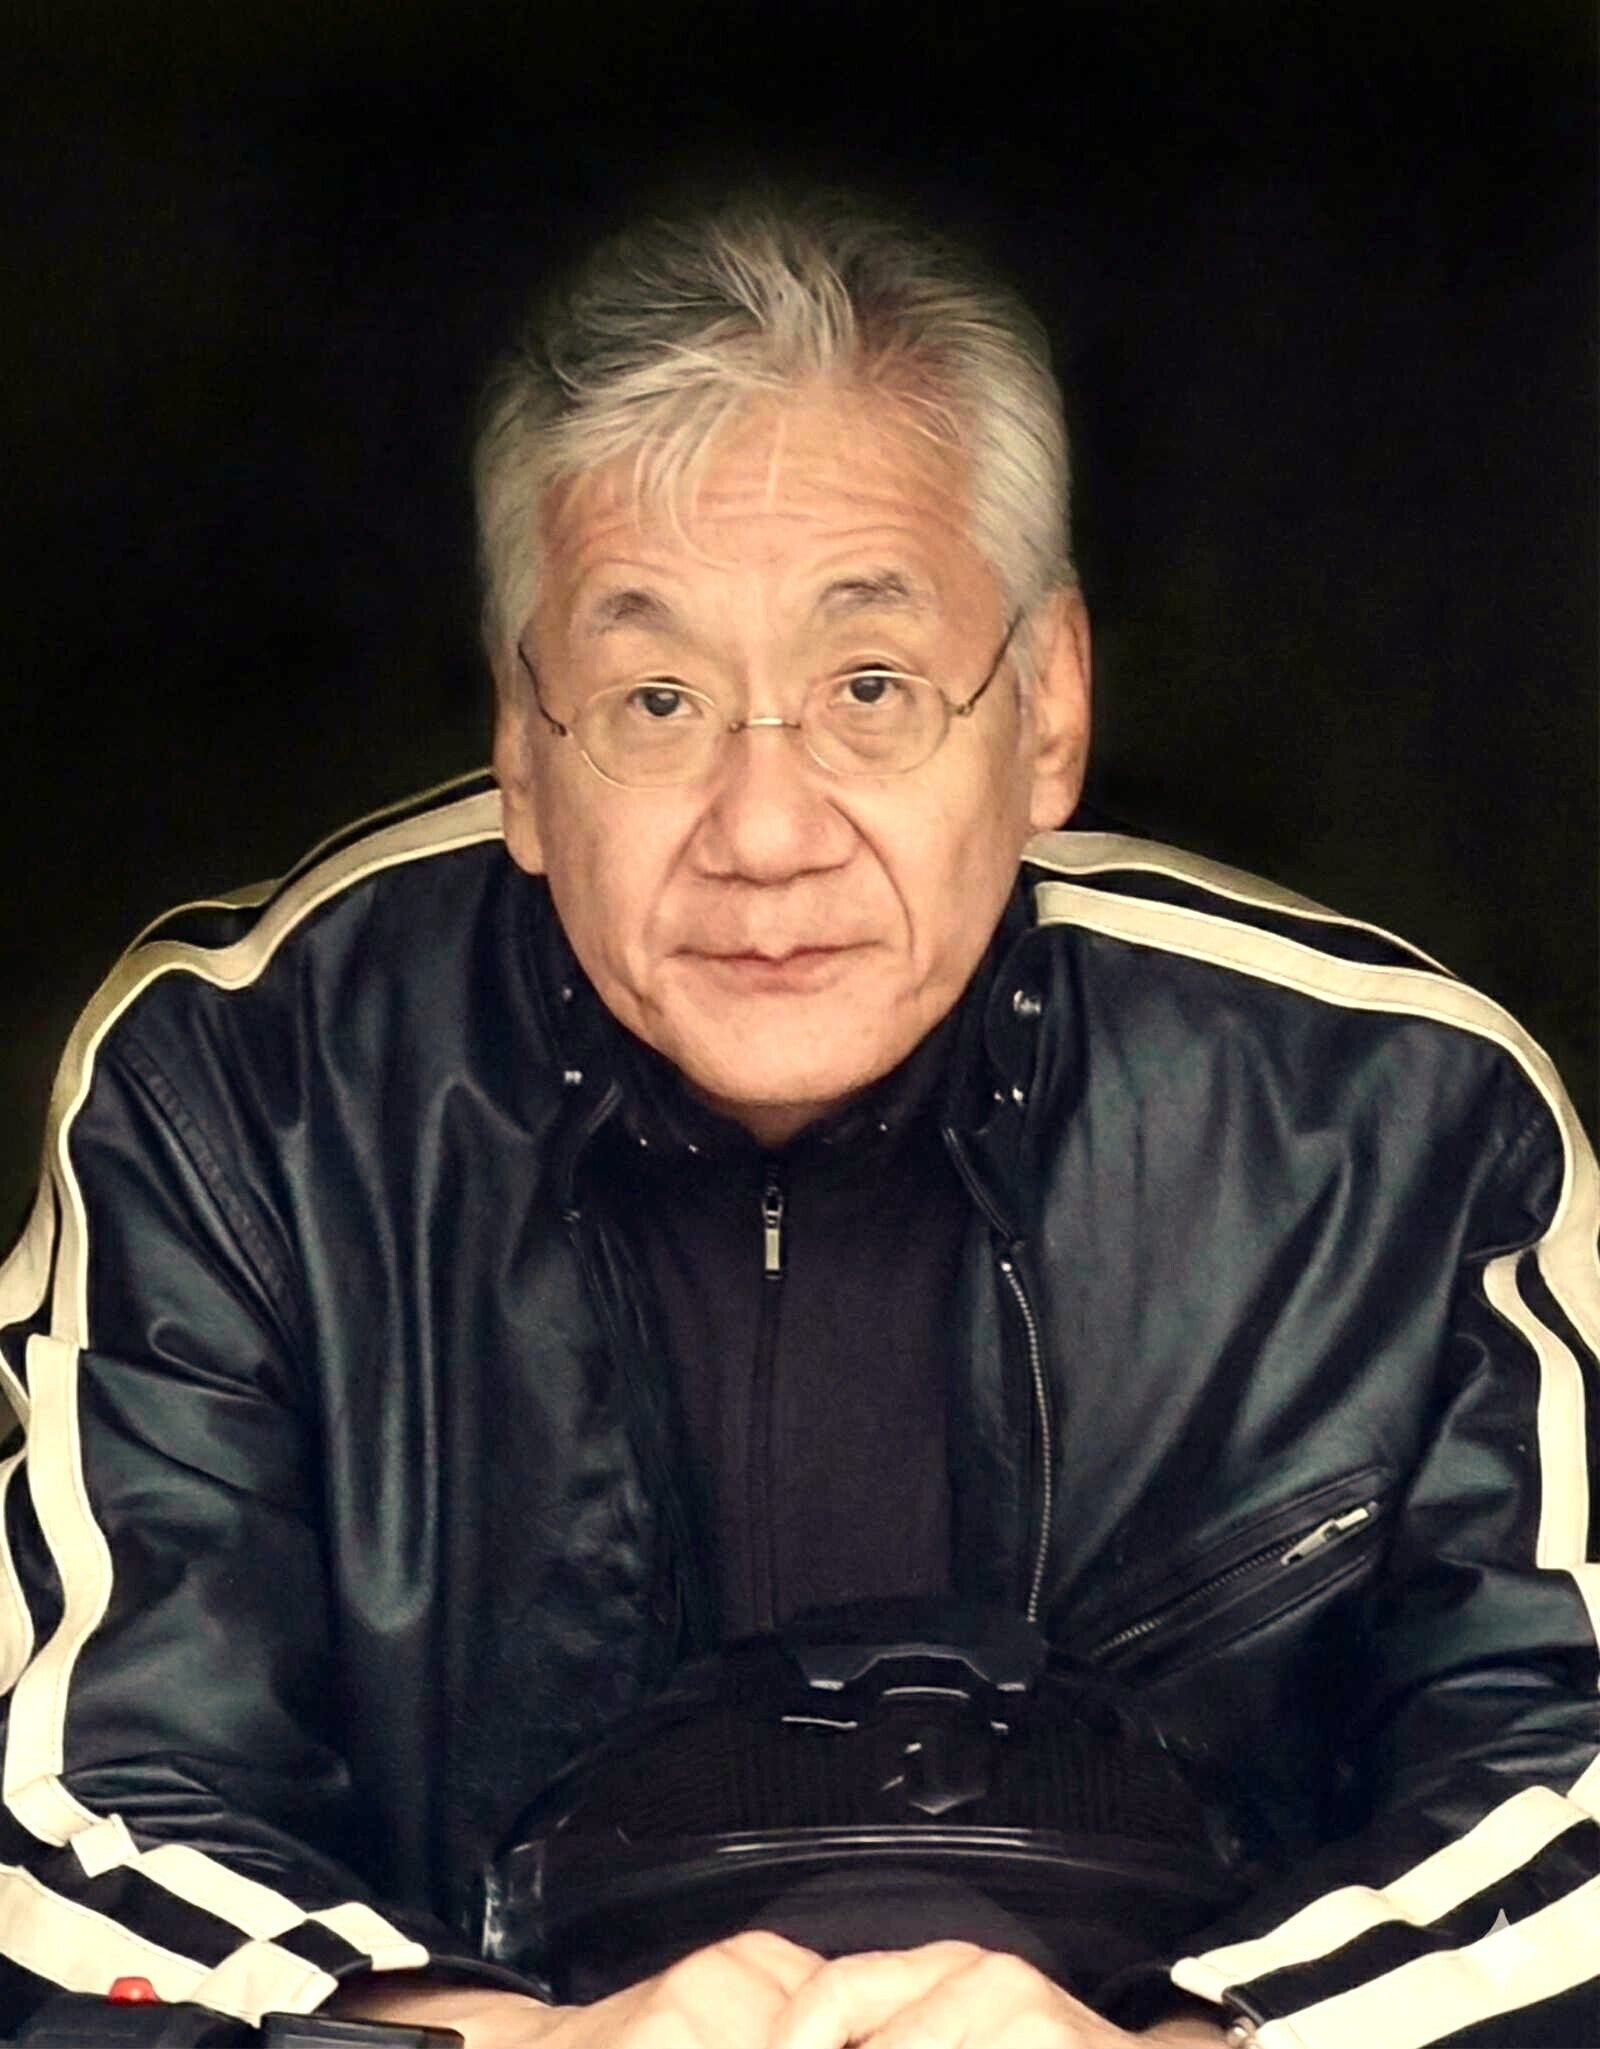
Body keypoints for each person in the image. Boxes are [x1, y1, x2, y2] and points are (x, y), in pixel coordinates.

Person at [0, 191, 1595, 2049]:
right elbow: (72, 1808)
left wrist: (1197, 2046)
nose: (765, 833)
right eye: (657, 698)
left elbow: (1564, 1791)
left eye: (870, 688)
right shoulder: (242, 1088)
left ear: (1048, 709)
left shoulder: (1400, 1127)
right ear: (522, 741)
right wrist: (505, 2043)